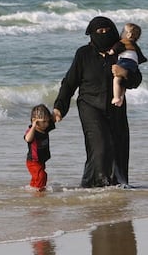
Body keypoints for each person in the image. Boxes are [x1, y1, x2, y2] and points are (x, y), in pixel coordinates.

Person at [53, 16, 142, 188]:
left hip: (115, 106)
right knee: (100, 145)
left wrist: (124, 72)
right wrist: (59, 107)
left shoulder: (123, 51)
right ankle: (96, 186)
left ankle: (115, 189)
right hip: (89, 105)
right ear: (92, 34)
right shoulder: (83, 54)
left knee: (118, 147)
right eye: (100, 32)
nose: (104, 34)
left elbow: (135, 80)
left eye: (108, 31)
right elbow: (70, 82)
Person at [108, 23, 147, 107]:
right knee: (123, 84)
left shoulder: (124, 41)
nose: (121, 33)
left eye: (123, 31)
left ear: (128, 35)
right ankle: (121, 97)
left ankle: (116, 97)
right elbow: (140, 56)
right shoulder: (135, 45)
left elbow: (117, 47)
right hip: (133, 64)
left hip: (124, 61)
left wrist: (110, 52)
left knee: (117, 79)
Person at [24, 104, 55, 191]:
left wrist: (57, 113)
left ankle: (33, 189)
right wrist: (33, 126)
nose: (47, 124)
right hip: (33, 161)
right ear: (35, 121)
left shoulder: (45, 128)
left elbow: (54, 119)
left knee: (39, 177)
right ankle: (38, 192)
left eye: (47, 121)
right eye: (43, 121)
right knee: (41, 175)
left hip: (41, 160)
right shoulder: (32, 131)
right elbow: (27, 139)